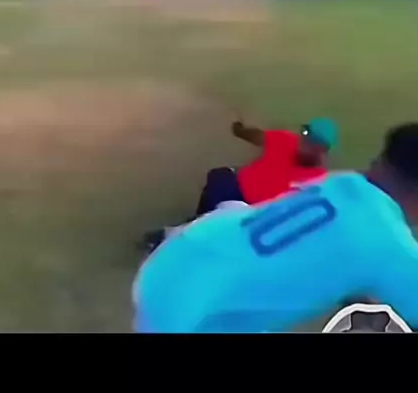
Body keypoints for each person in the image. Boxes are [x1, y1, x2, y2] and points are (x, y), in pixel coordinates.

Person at [133, 123, 418, 333]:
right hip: (192, 310)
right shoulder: (388, 244)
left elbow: (337, 257)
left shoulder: (341, 183)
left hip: (179, 258)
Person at [143, 116, 338, 253]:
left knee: (215, 228)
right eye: (305, 134)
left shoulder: (317, 183)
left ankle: (171, 238)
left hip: (250, 212)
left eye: (311, 141)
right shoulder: (287, 140)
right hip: (235, 185)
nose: (304, 141)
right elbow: (258, 136)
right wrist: (240, 130)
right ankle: (195, 223)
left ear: (322, 150)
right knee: (218, 177)